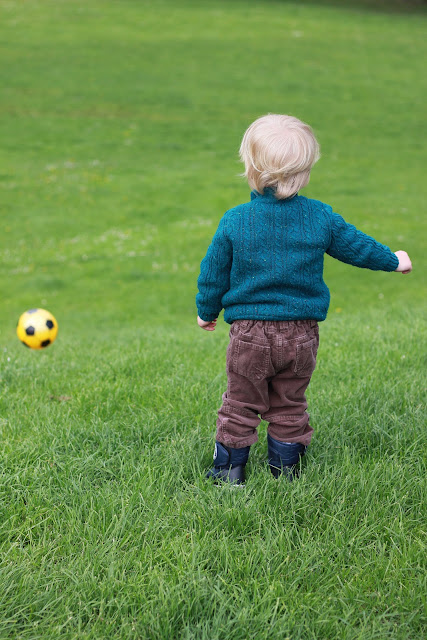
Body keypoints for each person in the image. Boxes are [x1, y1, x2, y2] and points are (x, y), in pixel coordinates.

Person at [196, 114, 412, 485]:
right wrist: (394, 260)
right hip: (302, 336)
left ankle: (228, 474)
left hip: (250, 334)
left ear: (250, 168)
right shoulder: (319, 217)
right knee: (289, 403)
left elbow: (213, 273)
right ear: (305, 170)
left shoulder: (235, 220)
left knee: (241, 403)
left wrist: (206, 311)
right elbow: (355, 246)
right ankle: (286, 472)